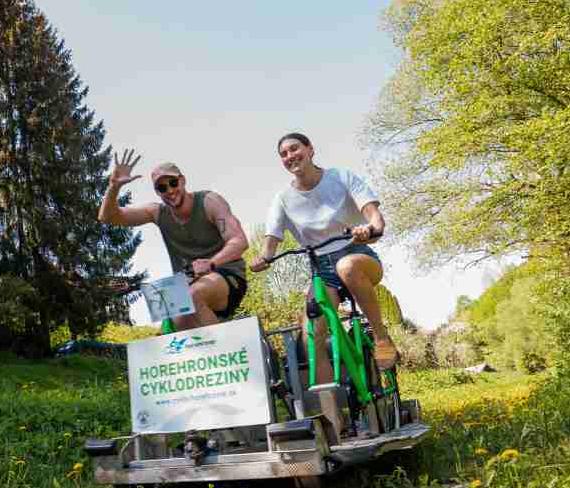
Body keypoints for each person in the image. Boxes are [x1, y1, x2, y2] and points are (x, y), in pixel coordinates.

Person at [248, 132, 397, 372]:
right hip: (322, 270)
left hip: (358, 255)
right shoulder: (283, 199)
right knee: (310, 333)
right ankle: (333, 405)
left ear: (310, 149)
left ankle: (381, 337)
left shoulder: (341, 177)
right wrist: (264, 257)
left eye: (294, 149)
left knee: (347, 267)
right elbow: (271, 240)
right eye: (283, 154)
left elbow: (374, 217)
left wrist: (370, 228)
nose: (290, 156)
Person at [97, 150, 248, 330]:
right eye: (162, 188)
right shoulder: (157, 212)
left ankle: (228, 353)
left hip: (227, 276)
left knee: (191, 297)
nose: (169, 191)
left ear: (182, 181)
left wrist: (211, 263)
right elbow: (108, 217)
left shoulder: (209, 201)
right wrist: (113, 187)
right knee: (171, 326)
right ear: (157, 192)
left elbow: (239, 241)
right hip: (187, 284)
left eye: (173, 183)